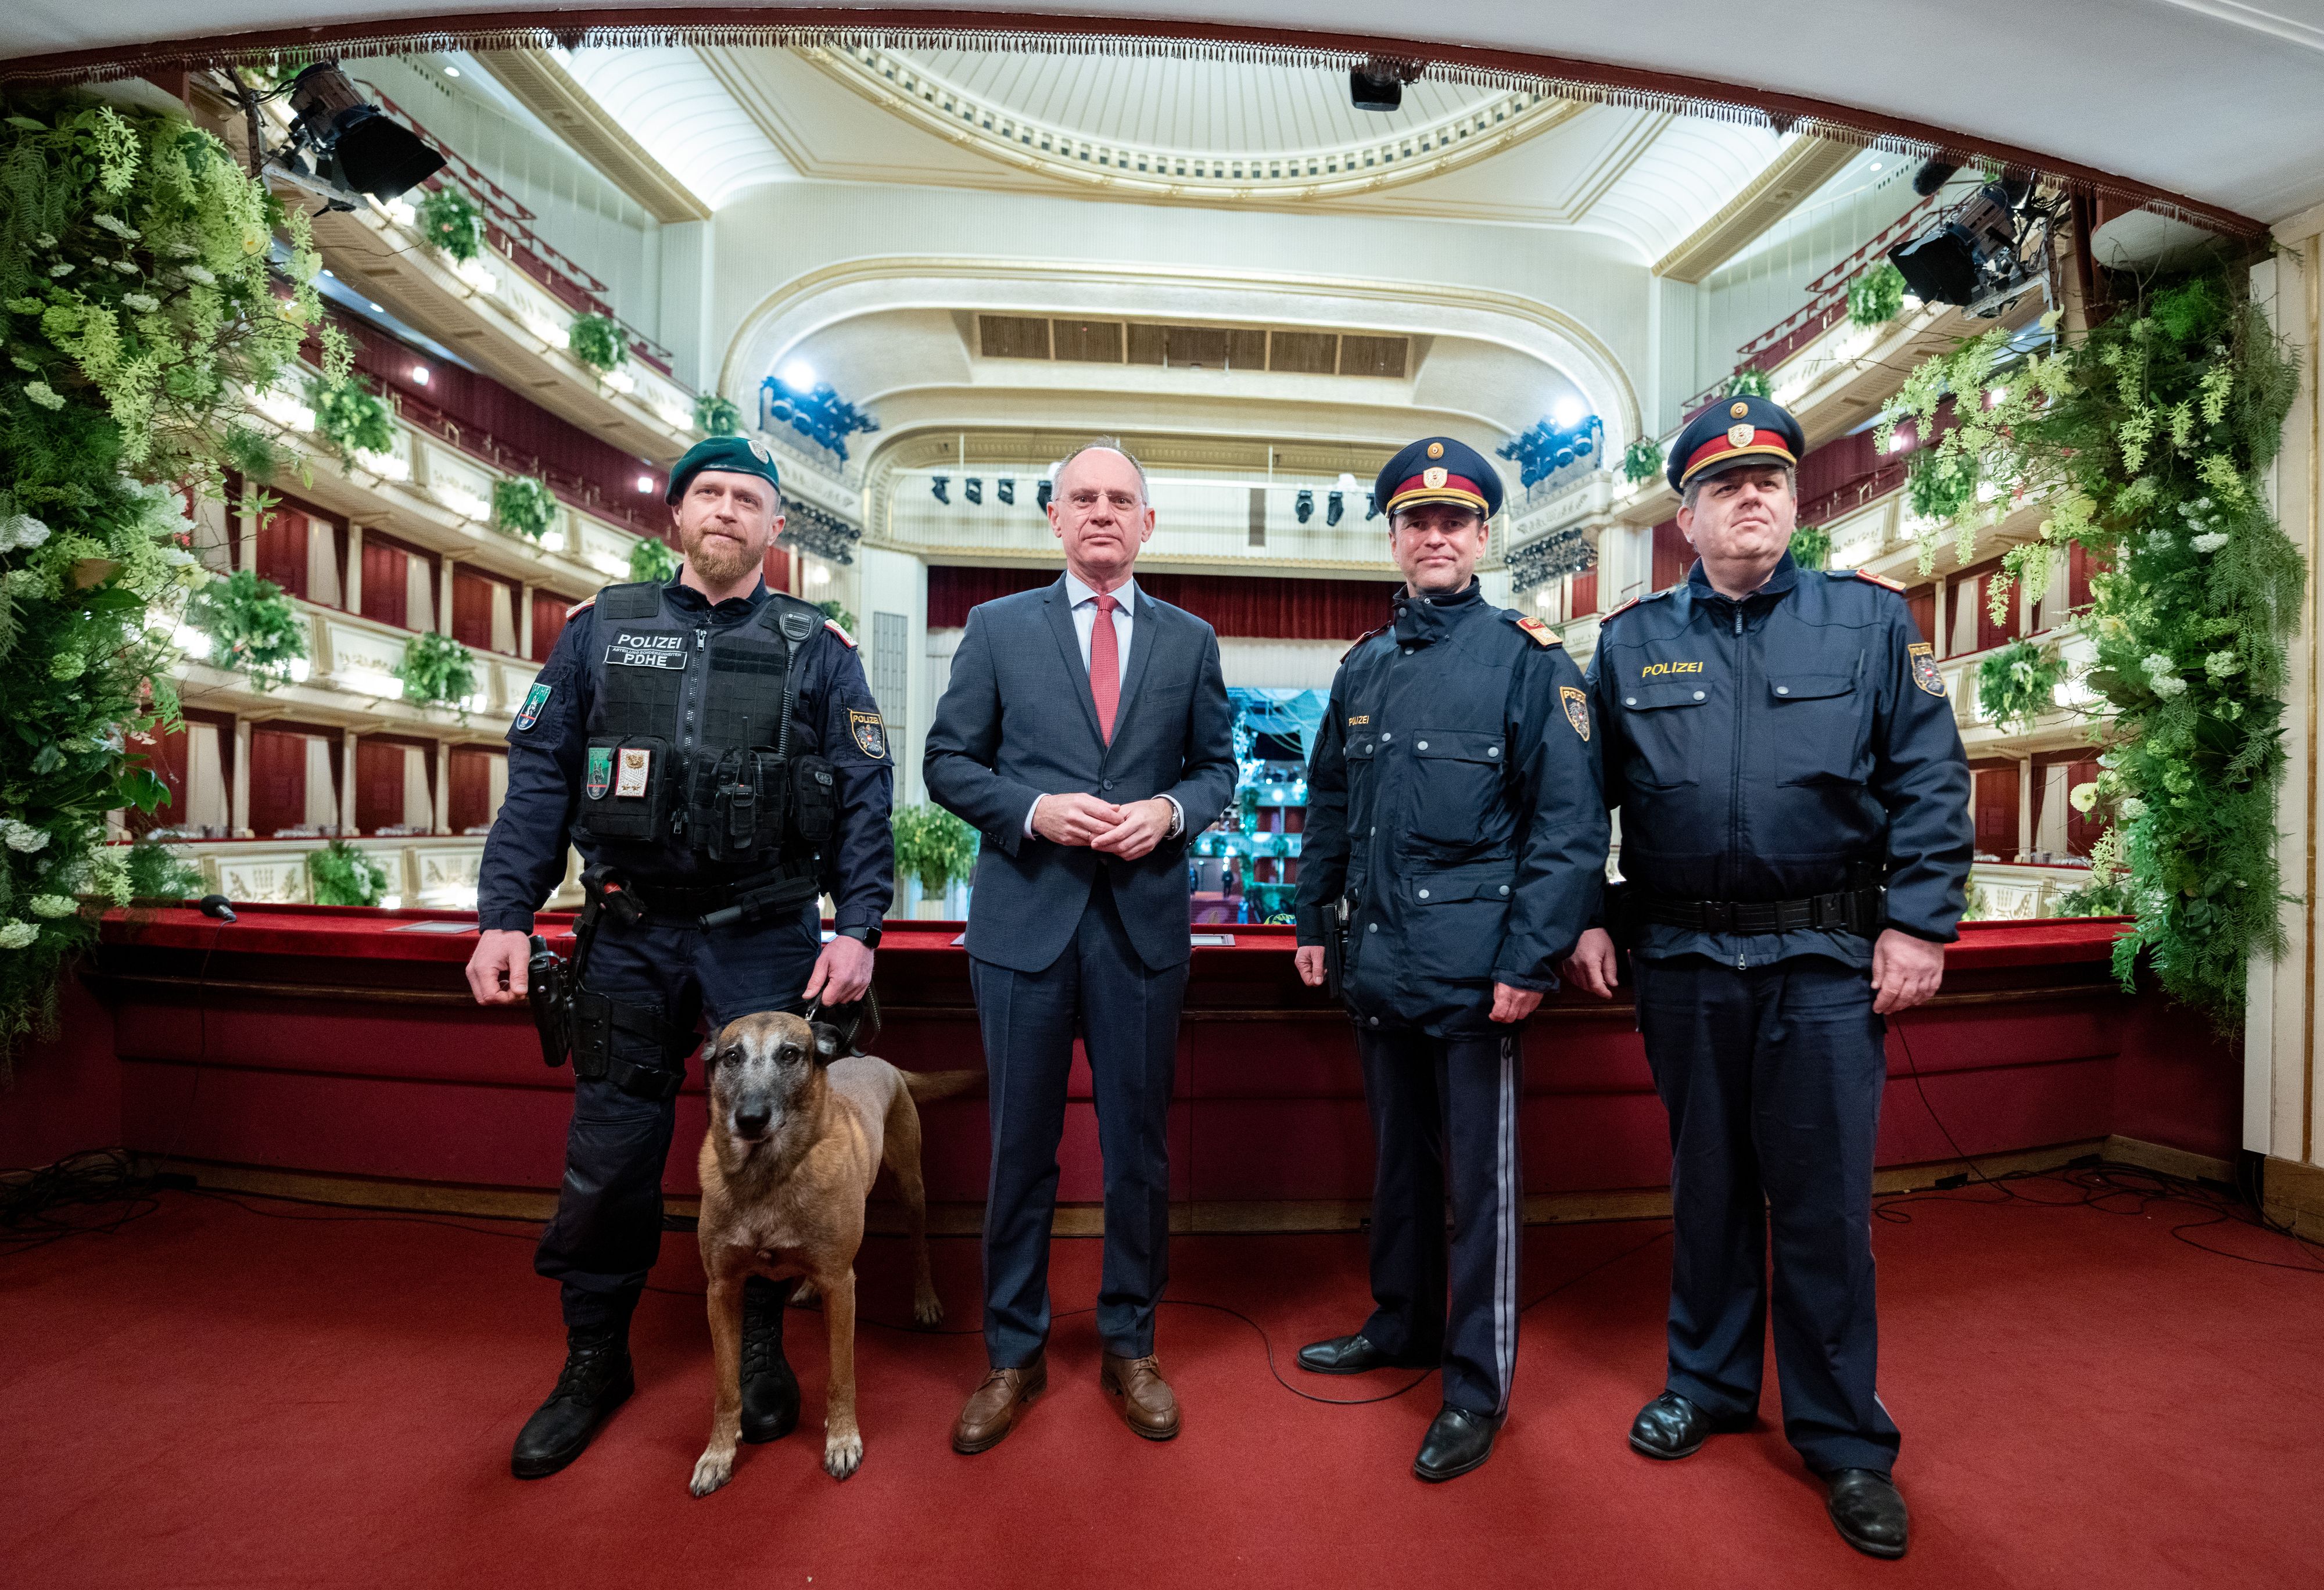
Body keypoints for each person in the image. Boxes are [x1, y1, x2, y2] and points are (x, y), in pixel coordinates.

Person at [1560, 395, 1972, 1558]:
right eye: (1727, 487)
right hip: (1684, 958)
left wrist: (1918, 924)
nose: (1754, 500)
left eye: (1773, 484)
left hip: (1823, 962)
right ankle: (1708, 1382)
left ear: (1793, 502)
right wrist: (1588, 916)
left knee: (1823, 1207)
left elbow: (1929, 784)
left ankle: (1843, 1437)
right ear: (1684, 515)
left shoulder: (1868, 627)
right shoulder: (1630, 643)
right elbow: (1582, 807)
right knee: (1703, 1188)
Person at [465, 435, 894, 1480]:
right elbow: (538, 780)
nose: (728, 510)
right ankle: (594, 1356)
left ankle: (757, 1345)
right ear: (675, 515)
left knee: (778, 1146)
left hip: (766, 934)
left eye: (750, 498)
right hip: (630, 933)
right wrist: (503, 913)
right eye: (710, 492)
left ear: (775, 527)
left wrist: (859, 924)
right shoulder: (598, 633)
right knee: (610, 1152)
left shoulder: (819, 647)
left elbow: (866, 792)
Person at [1290, 436, 1608, 1483]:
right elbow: (1330, 808)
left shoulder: (1529, 658)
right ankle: (1402, 1324)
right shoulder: (1363, 667)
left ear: (1481, 538)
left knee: (1480, 1188)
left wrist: (1531, 957)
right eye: (1416, 521)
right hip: (1379, 967)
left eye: (1455, 521)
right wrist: (1309, 925)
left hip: (1482, 979)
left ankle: (1475, 1384)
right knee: (1400, 1170)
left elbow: (1567, 826)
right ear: (1394, 537)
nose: (1435, 536)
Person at [923, 439, 1235, 1453]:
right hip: (1024, 925)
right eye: (1082, 498)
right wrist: (1033, 808)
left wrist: (1170, 812)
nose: (1102, 513)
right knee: (1021, 1150)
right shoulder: (995, 627)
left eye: (1122, 499)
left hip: (1142, 929)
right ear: (1053, 520)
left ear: (1149, 525)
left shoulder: (1190, 641)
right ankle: (1010, 1353)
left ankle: (1130, 1342)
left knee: (1138, 1152)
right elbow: (946, 761)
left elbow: (1219, 771)